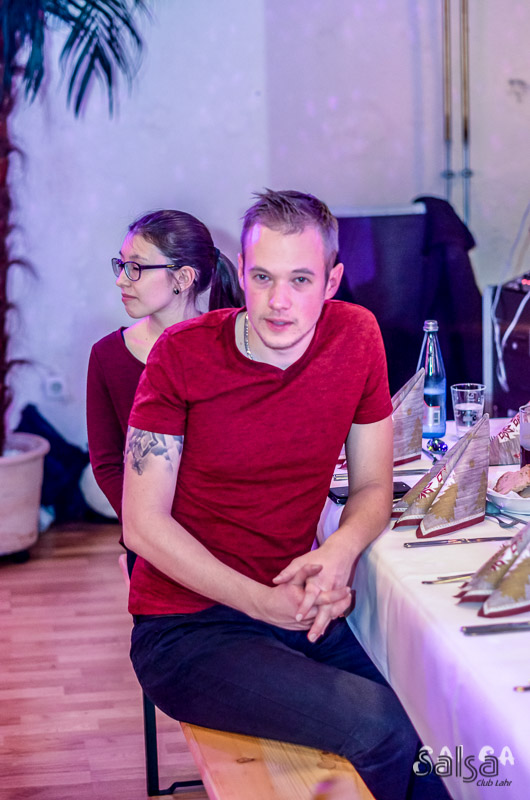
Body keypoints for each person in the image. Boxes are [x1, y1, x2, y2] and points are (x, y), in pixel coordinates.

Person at [121, 190, 450, 800]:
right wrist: (262, 604)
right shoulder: (183, 353)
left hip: (294, 611)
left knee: (438, 727)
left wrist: (339, 552)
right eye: (263, 277)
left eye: (301, 279)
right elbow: (142, 525)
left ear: (332, 282)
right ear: (241, 274)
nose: (279, 301)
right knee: (383, 729)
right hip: (188, 630)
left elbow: (373, 485)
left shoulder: (356, 336)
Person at [86, 209, 243, 531]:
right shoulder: (107, 355)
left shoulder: (231, 346)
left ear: (183, 278)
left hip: (226, 531)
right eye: (121, 264)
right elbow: (107, 464)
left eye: (136, 268)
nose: (120, 280)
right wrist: (147, 529)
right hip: (150, 537)